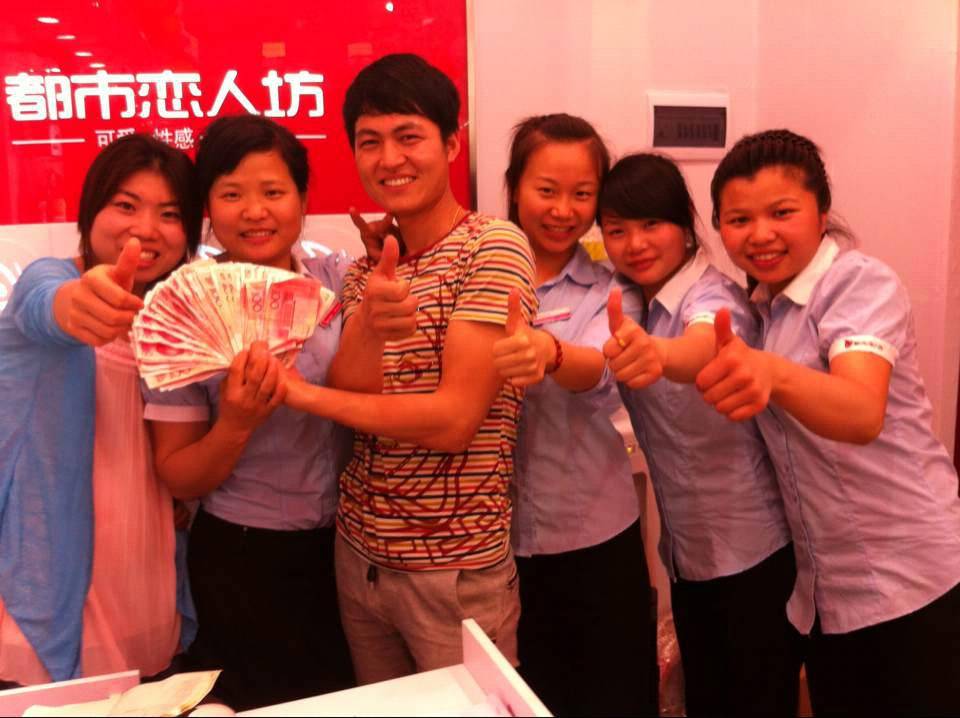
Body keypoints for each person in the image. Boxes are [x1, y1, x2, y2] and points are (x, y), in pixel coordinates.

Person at [278, 53, 537, 685]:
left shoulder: (493, 246)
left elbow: (453, 421)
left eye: (408, 136)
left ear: (451, 144)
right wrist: (368, 322)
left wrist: (302, 396)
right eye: (370, 141)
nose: (389, 158)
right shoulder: (366, 270)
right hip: (359, 557)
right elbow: (355, 395)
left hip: (454, 572)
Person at [697, 128, 960, 715]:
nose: (760, 234)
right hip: (827, 594)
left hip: (910, 579)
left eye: (781, 212)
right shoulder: (765, 308)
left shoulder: (857, 281)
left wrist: (771, 372)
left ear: (821, 213)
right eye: (738, 220)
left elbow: (862, 410)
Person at [143, 115, 354, 711]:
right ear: (208, 207)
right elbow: (178, 474)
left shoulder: (340, 281)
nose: (255, 211)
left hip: (350, 547)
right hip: (242, 553)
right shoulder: (184, 307)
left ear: (303, 199)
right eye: (232, 194)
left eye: (273, 191)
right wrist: (235, 425)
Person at [598, 153, 802, 716]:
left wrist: (658, 354)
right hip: (689, 555)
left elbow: (706, 344)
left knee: (756, 702)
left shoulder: (711, 296)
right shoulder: (630, 298)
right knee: (707, 699)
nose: (636, 243)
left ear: (685, 226)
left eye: (651, 224)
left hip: (753, 551)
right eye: (617, 230)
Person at [0, 134, 202, 684]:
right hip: (58, 576)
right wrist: (73, 306)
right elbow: (44, 302)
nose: (147, 228)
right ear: (90, 211)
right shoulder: (54, 279)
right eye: (125, 205)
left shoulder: (180, 316)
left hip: (146, 565)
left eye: (170, 214)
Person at [489, 114, 657, 716]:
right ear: (514, 187)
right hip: (495, 546)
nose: (564, 210)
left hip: (594, 535)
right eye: (547, 190)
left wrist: (550, 352)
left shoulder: (610, 290)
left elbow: (600, 368)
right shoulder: (479, 274)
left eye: (582, 194)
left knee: (611, 697)